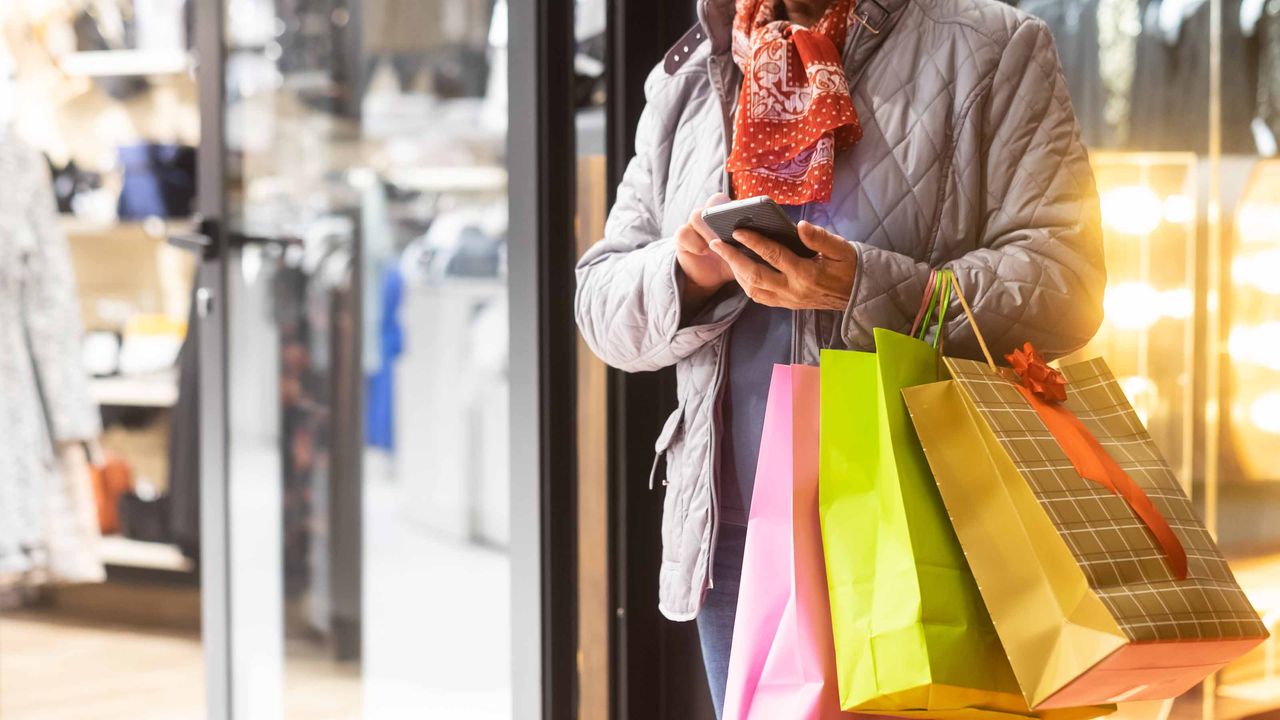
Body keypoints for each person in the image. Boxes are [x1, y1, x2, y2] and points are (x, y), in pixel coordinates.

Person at [574, 0, 1105, 715]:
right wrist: (685, 273)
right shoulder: (694, 74)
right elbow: (599, 303)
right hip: (734, 537)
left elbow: (1066, 283)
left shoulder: (993, 46)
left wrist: (866, 287)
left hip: (921, 520)